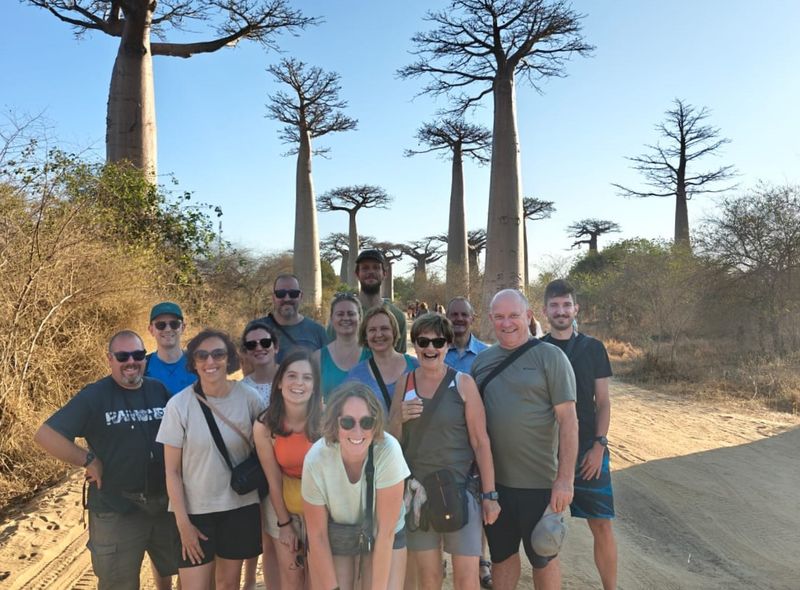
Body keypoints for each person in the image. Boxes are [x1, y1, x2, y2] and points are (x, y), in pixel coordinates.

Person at [34, 330, 179, 590]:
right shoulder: (95, 395)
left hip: (162, 507)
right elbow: (46, 434)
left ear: (145, 359)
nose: (131, 361)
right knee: (117, 583)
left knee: (184, 570)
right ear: (110, 359)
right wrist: (87, 459)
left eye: (137, 355)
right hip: (116, 509)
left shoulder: (158, 390)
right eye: (123, 356)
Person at [471, 290, 578, 590]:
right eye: (500, 317)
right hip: (496, 486)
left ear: (529, 317)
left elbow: (569, 421)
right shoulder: (482, 362)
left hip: (541, 485)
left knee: (543, 556)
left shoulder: (551, 357)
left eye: (514, 316)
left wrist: (565, 479)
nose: (507, 323)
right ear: (491, 320)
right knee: (502, 558)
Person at [389, 313, 500, 590]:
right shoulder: (405, 384)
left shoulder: (463, 384)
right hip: (418, 494)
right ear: (414, 345)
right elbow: (391, 442)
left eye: (438, 342)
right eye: (423, 342)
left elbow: (480, 442)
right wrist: (398, 418)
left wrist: (490, 495)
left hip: (460, 491)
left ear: (448, 345)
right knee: (429, 578)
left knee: (466, 579)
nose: (430, 349)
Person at [157, 329, 264, 590]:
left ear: (229, 359)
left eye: (218, 354)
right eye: (202, 355)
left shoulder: (249, 399)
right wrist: (183, 525)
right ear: (193, 362)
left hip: (239, 507)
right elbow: (172, 471)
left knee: (228, 584)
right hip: (195, 512)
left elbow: (265, 451)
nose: (210, 362)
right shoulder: (179, 405)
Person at [540, 280, 617, 590]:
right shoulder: (537, 350)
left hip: (588, 449)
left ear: (576, 309)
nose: (561, 311)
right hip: (548, 452)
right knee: (545, 528)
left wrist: (599, 446)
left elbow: (604, 401)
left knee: (601, 525)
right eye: (555, 306)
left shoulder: (593, 348)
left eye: (566, 305)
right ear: (545, 311)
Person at [303, 382, 409, 590]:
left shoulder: (388, 451)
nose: (358, 432)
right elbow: (317, 536)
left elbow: (386, 533)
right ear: (335, 422)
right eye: (348, 422)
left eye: (367, 422)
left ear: (376, 423)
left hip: (382, 533)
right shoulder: (316, 459)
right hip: (337, 530)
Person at [253, 349, 322, 590]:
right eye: (292, 376)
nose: (299, 383)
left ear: (315, 386)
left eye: (307, 377)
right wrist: (285, 525)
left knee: (318, 578)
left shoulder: (327, 421)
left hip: (322, 507)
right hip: (283, 503)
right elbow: (273, 480)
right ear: (280, 382)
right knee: (292, 577)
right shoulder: (265, 426)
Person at [443, 297, 492, 589]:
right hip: (447, 441)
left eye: (464, 314)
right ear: (446, 317)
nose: (458, 319)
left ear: (472, 319)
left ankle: (481, 559)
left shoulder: (487, 354)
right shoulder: (435, 349)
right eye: (453, 314)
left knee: (477, 498)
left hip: (477, 437)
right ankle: (440, 556)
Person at [239, 320, 281, 590]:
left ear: (275, 346)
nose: (259, 348)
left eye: (265, 342)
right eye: (252, 344)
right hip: (258, 470)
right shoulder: (241, 388)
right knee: (265, 536)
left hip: (291, 466)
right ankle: (251, 583)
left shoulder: (291, 376)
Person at [346, 305, 419, 412]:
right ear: (365, 336)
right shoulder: (356, 375)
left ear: (394, 332)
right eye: (372, 330)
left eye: (384, 328)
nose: (379, 334)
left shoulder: (416, 366)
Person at [259, 273, 328, 364]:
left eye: (293, 294)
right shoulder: (256, 328)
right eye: (281, 294)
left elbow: (325, 369)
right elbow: (248, 367)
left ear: (301, 296)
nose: (287, 299)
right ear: (273, 297)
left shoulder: (318, 332)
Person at [314, 292, 370, 402]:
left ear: (360, 317)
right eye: (340, 314)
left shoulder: (372, 354)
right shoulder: (317, 358)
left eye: (351, 314)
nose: (345, 318)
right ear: (331, 318)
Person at [354, 249, 408, 352]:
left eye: (376, 267)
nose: (371, 272)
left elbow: (401, 359)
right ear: (357, 274)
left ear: (384, 273)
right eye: (365, 268)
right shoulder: (344, 315)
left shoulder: (398, 316)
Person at [145, 301, 196, 396]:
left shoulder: (199, 364)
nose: (168, 329)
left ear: (183, 327)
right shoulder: (142, 367)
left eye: (174, 324)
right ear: (151, 330)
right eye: (161, 325)